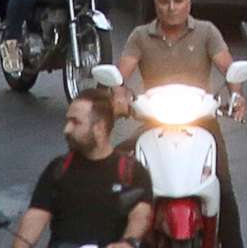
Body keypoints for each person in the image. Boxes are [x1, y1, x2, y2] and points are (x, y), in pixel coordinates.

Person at [113, 0, 247, 248]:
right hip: (154, 122)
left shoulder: (206, 31)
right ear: (156, 4)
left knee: (223, 187)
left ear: (189, 4)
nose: (171, 7)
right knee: (113, 172)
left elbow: (227, 66)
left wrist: (237, 94)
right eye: (165, 2)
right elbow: (120, 74)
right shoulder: (140, 35)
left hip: (202, 122)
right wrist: (119, 92)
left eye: (178, 1)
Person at [10, 89, 152, 248]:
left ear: (99, 128)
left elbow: (141, 215)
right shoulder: (58, 170)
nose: (67, 129)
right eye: (68, 121)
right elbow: (36, 216)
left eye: (75, 122)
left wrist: (127, 243)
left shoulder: (131, 171)